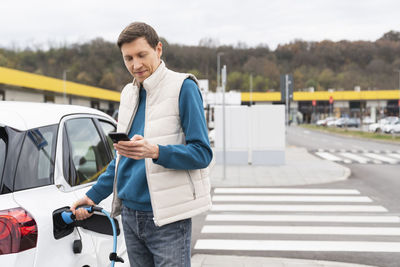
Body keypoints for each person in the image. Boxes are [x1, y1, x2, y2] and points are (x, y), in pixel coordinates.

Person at [71, 22, 213, 267]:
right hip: (129, 216)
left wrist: (156, 151)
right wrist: (93, 196)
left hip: (167, 219)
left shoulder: (184, 87)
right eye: (128, 58)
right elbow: (121, 158)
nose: (135, 65)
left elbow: (202, 153)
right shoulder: (128, 93)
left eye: (141, 55)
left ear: (158, 49)